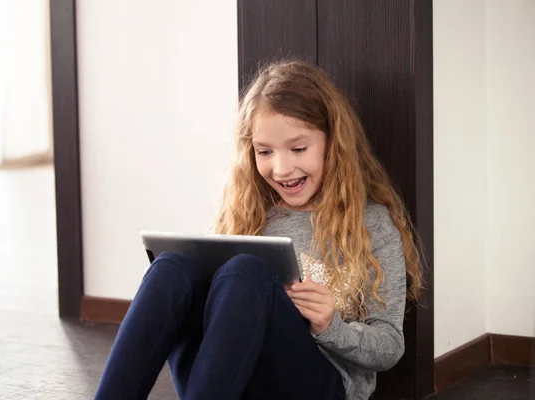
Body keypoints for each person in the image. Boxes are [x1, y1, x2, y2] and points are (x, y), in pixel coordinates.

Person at [93, 60, 423, 400]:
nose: (281, 168)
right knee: (171, 267)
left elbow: (389, 346)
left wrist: (330, 325)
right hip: (226, 378)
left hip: (318, 386)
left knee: (246, 269)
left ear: (333, 142)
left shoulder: (372, 223)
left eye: (298, 149)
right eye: (264, 151)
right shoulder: (247, 214)